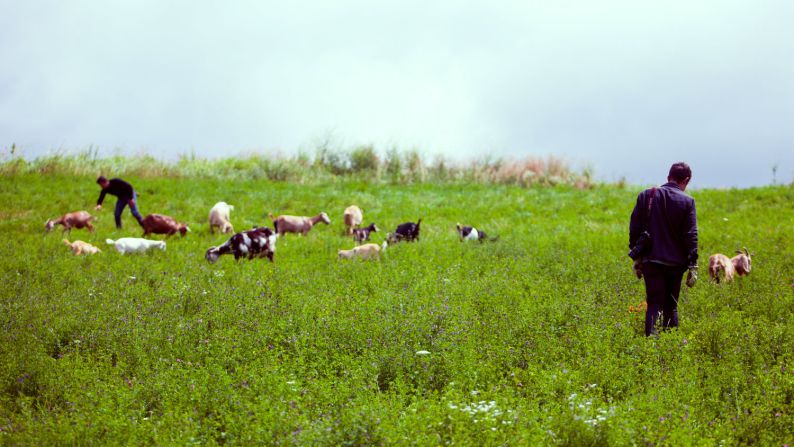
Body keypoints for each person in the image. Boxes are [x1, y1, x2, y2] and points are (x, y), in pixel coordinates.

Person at [629, 162, 698, 336]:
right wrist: (693, 266)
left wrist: (637, 259)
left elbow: (634, 229)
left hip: (651, 261)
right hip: (676, 265)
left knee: (653, 304)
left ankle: (651, 345)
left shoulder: (645, 196)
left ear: (668, 177)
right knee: (671, 306)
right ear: (686, 180)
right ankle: (671, 347)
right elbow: (691, 235)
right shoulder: (687, 201)